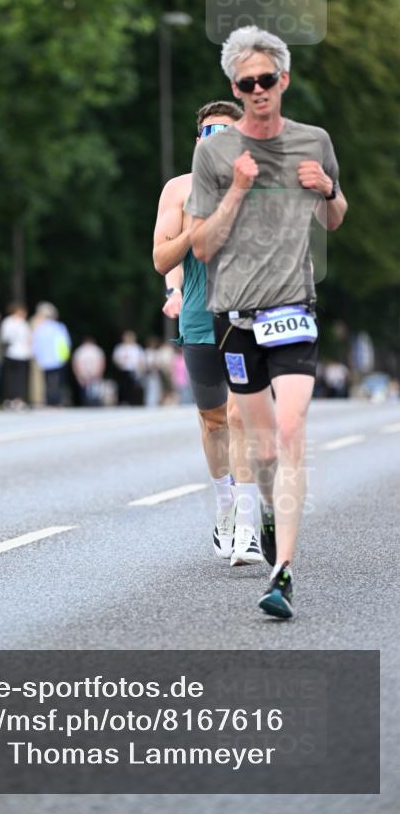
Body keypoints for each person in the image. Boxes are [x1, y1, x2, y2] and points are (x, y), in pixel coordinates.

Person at [185, 25, 348, 619]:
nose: (257, 90)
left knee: (289, 431)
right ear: (235, 85)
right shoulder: (214, 155)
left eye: (266, 80)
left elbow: (334, 219)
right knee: (259, 446)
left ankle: (282, 574)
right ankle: (271, 510)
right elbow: (200, 246)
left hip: (293, 311)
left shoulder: (314, 140)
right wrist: (237, 192)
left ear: (284, 79)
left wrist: (327, 189)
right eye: (246, 83)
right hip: (234, 319)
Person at [153, 101, 258, 565]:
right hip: (199, 315)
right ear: (198, 141)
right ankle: (225, 508)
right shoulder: (178, 190)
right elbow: (161, 259)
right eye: (210, 132)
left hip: (249, 315)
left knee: (241, 416)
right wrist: (192, 231)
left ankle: (250, 529)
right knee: (214, 420)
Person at [31, 303, 72, 407]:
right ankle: (56, 400)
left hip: (44, 359)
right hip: (58, 358)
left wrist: (37, 356)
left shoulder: (40, 328)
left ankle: (49, 400)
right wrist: (65, 356)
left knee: (47, 381)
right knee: (58, 381)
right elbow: (66, 342)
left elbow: (36, 344)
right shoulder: (59, 327)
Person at [0, 302, 32, 409]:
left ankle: (18, 399)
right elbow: (5, 337)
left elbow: (28, 338)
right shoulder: (10, 322)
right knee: (12, 378)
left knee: (20, 378)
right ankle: (10, 399)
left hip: (21, 354)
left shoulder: (22, 323)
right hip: (12, 353)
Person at [112, 331, 145, 406]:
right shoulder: (120, 347)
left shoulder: (137, 348)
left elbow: (141, 360)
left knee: (132, 387)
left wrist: (141, 370)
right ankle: (122, 401)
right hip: (122, 370)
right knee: (122, 387)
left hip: (133, 370)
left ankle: (131, 402)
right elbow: (115, 358)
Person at [72, 337, 106, 406]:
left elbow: (101, 362)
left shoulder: (96, 350)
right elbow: (76, 363)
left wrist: (99, 373)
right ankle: (86, 404)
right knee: (84, 391)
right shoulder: (80, 350)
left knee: (95, 391)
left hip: (93, 373)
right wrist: (79, 374)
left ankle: (95, 404)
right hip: (84, 373)